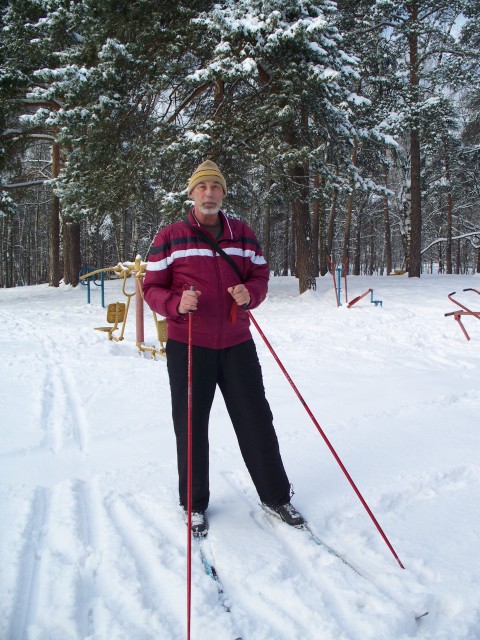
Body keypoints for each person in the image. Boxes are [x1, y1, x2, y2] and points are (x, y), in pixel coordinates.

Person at [142, 160, 304, 536]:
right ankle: (193, 505)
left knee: (256, 419)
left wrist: (252, 293)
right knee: (191, 425)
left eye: (216, 186)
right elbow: (151, 287)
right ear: (191, 193)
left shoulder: (243, 235)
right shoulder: (170, 236)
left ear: (224, 193)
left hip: (236, 343)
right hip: (189, 344)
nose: (209, 193)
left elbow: (259, 276)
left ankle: (276, 496)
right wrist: (175, 304)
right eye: (202, 187)